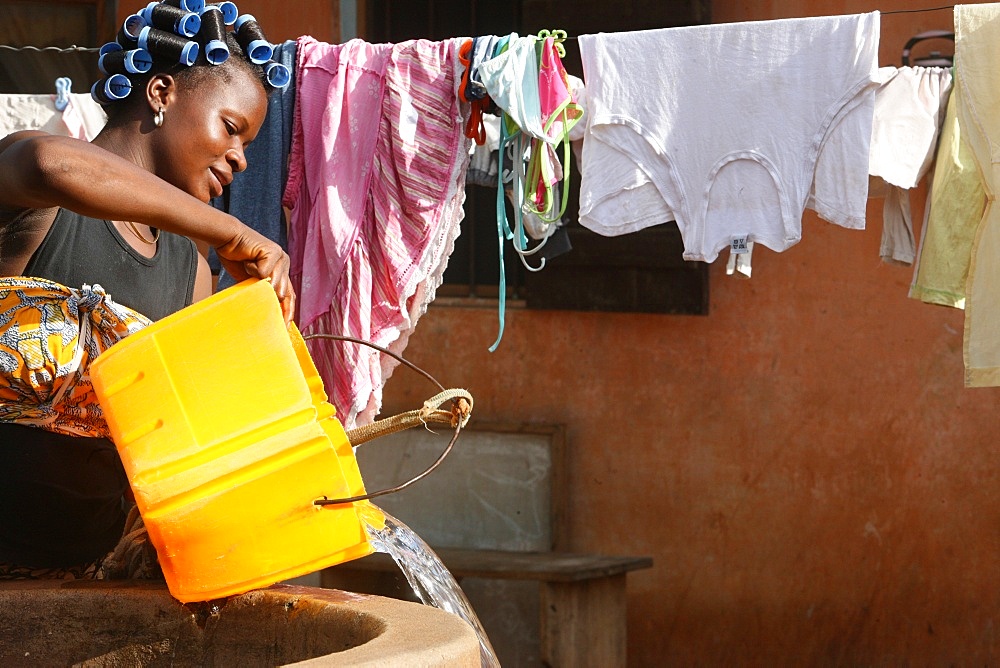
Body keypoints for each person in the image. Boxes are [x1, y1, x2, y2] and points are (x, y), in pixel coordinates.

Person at [0, 12, 294, 577]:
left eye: (249, 142)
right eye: (231, 128)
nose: (241, 157)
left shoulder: (191, 270)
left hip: (87, 580)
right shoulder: (39, 185)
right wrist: (232, 231)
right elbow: (50, 164)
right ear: (161, 92)